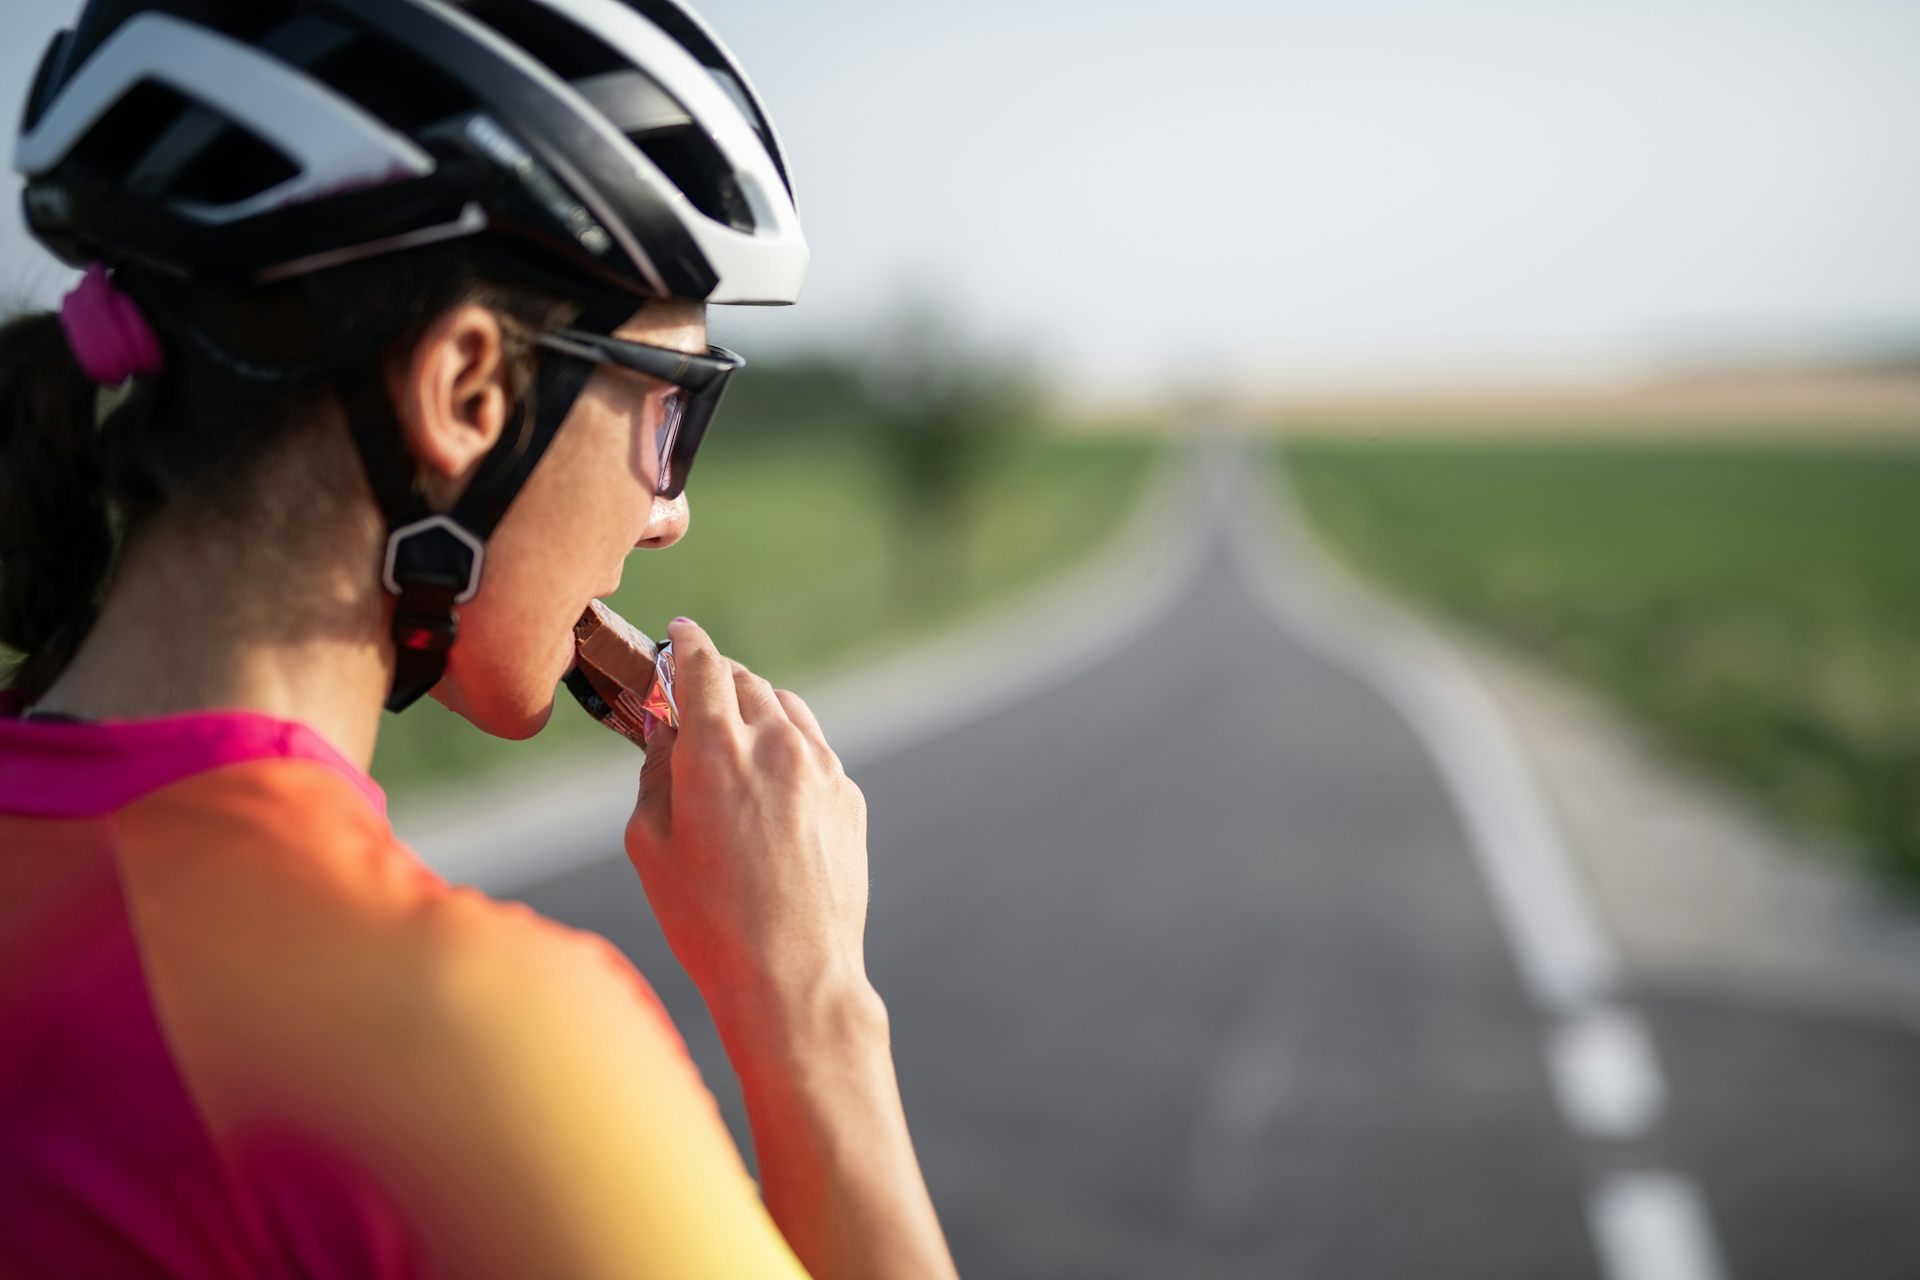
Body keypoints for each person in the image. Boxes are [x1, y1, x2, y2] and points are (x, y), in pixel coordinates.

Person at [0, 2, 959, 1276]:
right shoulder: (471, 1041)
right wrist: (815, 1010)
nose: (671, 511)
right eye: (674, 406)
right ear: (464, 393)